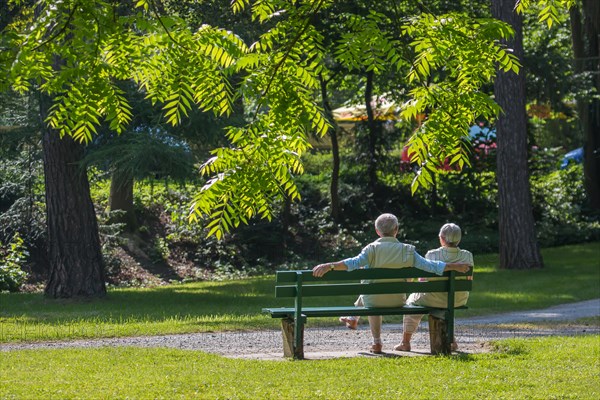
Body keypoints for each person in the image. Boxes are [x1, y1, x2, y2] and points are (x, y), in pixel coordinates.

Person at [312, 214, 471, 354]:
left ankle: (376, 342)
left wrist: (329, 265)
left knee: (371, 290)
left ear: (377, 231)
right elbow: (430, 266)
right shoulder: (408, 250)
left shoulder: (371, 249)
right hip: (398, 300)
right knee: (372, 290)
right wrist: (452, 266)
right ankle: (355, 318)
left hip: (373, 301)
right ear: (396, 229)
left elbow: (351, 263)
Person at [395, 222, 473, 352]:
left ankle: (405, 342)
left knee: (411, 302)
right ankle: (451, 341)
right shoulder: (467, 255)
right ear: (459, 239)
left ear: (441, 238)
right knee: (447, 305)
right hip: (458, 299)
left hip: (433, 298)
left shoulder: (432, 254)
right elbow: (469, 279)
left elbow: (424, 279)